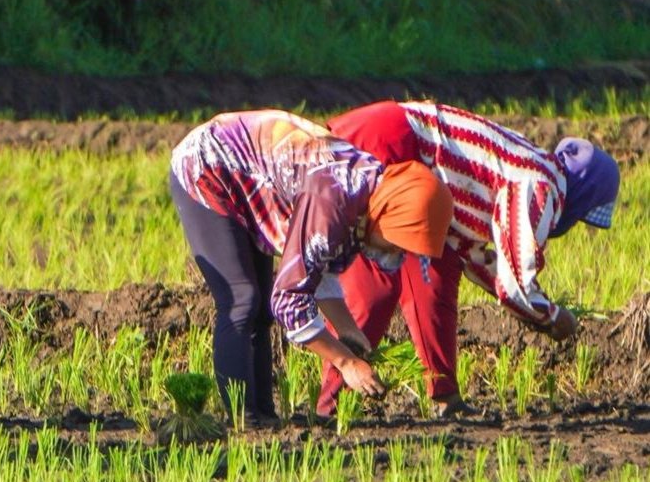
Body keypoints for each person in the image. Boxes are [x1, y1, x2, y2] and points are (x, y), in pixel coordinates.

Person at [317, 100, 621, 417]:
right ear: (584, 194)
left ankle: (445, 395)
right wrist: (553, 317)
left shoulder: (531, 172)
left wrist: (530, 306)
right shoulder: (540, 185)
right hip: (391, 143)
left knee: (438, 269)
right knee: (376, 284)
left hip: (412, 160)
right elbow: (514, 287)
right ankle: (330, 407)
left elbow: (475, 259)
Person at [170, 109, 454, 422]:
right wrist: (346, 363)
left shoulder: (367, 191)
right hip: (209, 167)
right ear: (391, 215)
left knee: (260, 309)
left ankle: (263, 416)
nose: (397, 254)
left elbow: (316, 268)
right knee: (241, 299)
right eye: (399, 242)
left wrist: (347, 329)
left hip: (251, 177)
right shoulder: (333, 199)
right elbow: (290, 301)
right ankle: (244, 421)